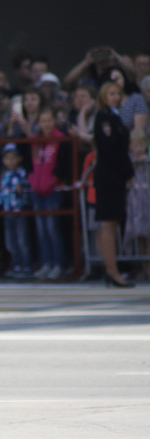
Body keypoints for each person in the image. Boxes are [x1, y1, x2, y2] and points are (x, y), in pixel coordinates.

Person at [93, 82, 135, 287]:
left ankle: (112, 269)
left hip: (115, 176)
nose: (116, 97)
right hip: (109, 176)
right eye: (111, 93)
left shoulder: (114, 116)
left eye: (118, 93)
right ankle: (111, 271)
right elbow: (111, 150)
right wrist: (128, 172)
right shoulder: (104, 118)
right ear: (103, 95)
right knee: (109, 224)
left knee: (112, 223)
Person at [28, 107, 70, 281]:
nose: (46, 124)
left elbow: (64, 163)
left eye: (49, 120)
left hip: (53, 189)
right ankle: (46, 263)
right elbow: (30, 162)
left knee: (52, 228)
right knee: (41, 229)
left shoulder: (60, 139)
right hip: (36, 189)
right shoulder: (36, 140)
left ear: (54, 121)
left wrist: (54, 180)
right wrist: (31, 179)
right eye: (43, 121)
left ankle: (58, 264)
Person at [0, 144, 32, 278]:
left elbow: (28, 193)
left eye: (13, 158)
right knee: (10, 241)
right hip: (7, 213)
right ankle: (16, 264)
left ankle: (26, 265)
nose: (11, 161)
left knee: (22, 240)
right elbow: (2, 194)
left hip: (19, 212)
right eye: (7, 158)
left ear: (19, 159)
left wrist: (22, 188)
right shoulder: (4, 176)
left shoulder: (23, 174)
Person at [125, 129, 150, 280]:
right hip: (135, 200)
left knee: (148, 234)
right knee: (139, 235)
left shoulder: (147, 160)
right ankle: (143, 266)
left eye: (141, 144)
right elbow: (129, 178)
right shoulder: (130, 160)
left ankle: (149, 267)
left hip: (146, 200)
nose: (138, 148)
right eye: (135, 145)